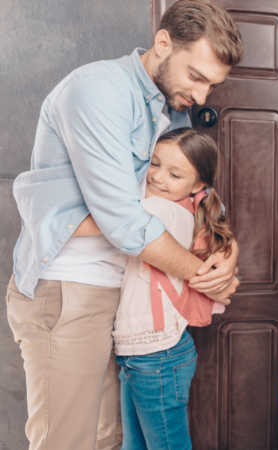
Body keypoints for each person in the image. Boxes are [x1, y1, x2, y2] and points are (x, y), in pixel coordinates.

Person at [6, 2, 243, 449]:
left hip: (114, 296)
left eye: (213, 84)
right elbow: (123, 220)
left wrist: (226, 252)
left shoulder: (170, 108)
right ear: (163, 43)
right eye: (196, 76)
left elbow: (196, 196)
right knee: (67, 443)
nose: (203, 97)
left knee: (106, 440)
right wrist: (202, 277)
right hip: (69, 292)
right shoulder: (99, 92)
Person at [73, 128, 233, 449]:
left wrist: (52, 220)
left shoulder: (163, 210)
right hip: (143, 355)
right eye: (154, 163)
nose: (157, 178)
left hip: (157, 356)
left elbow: (100, 224)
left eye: (174, 174)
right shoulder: (177, 209)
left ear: (198, 186)